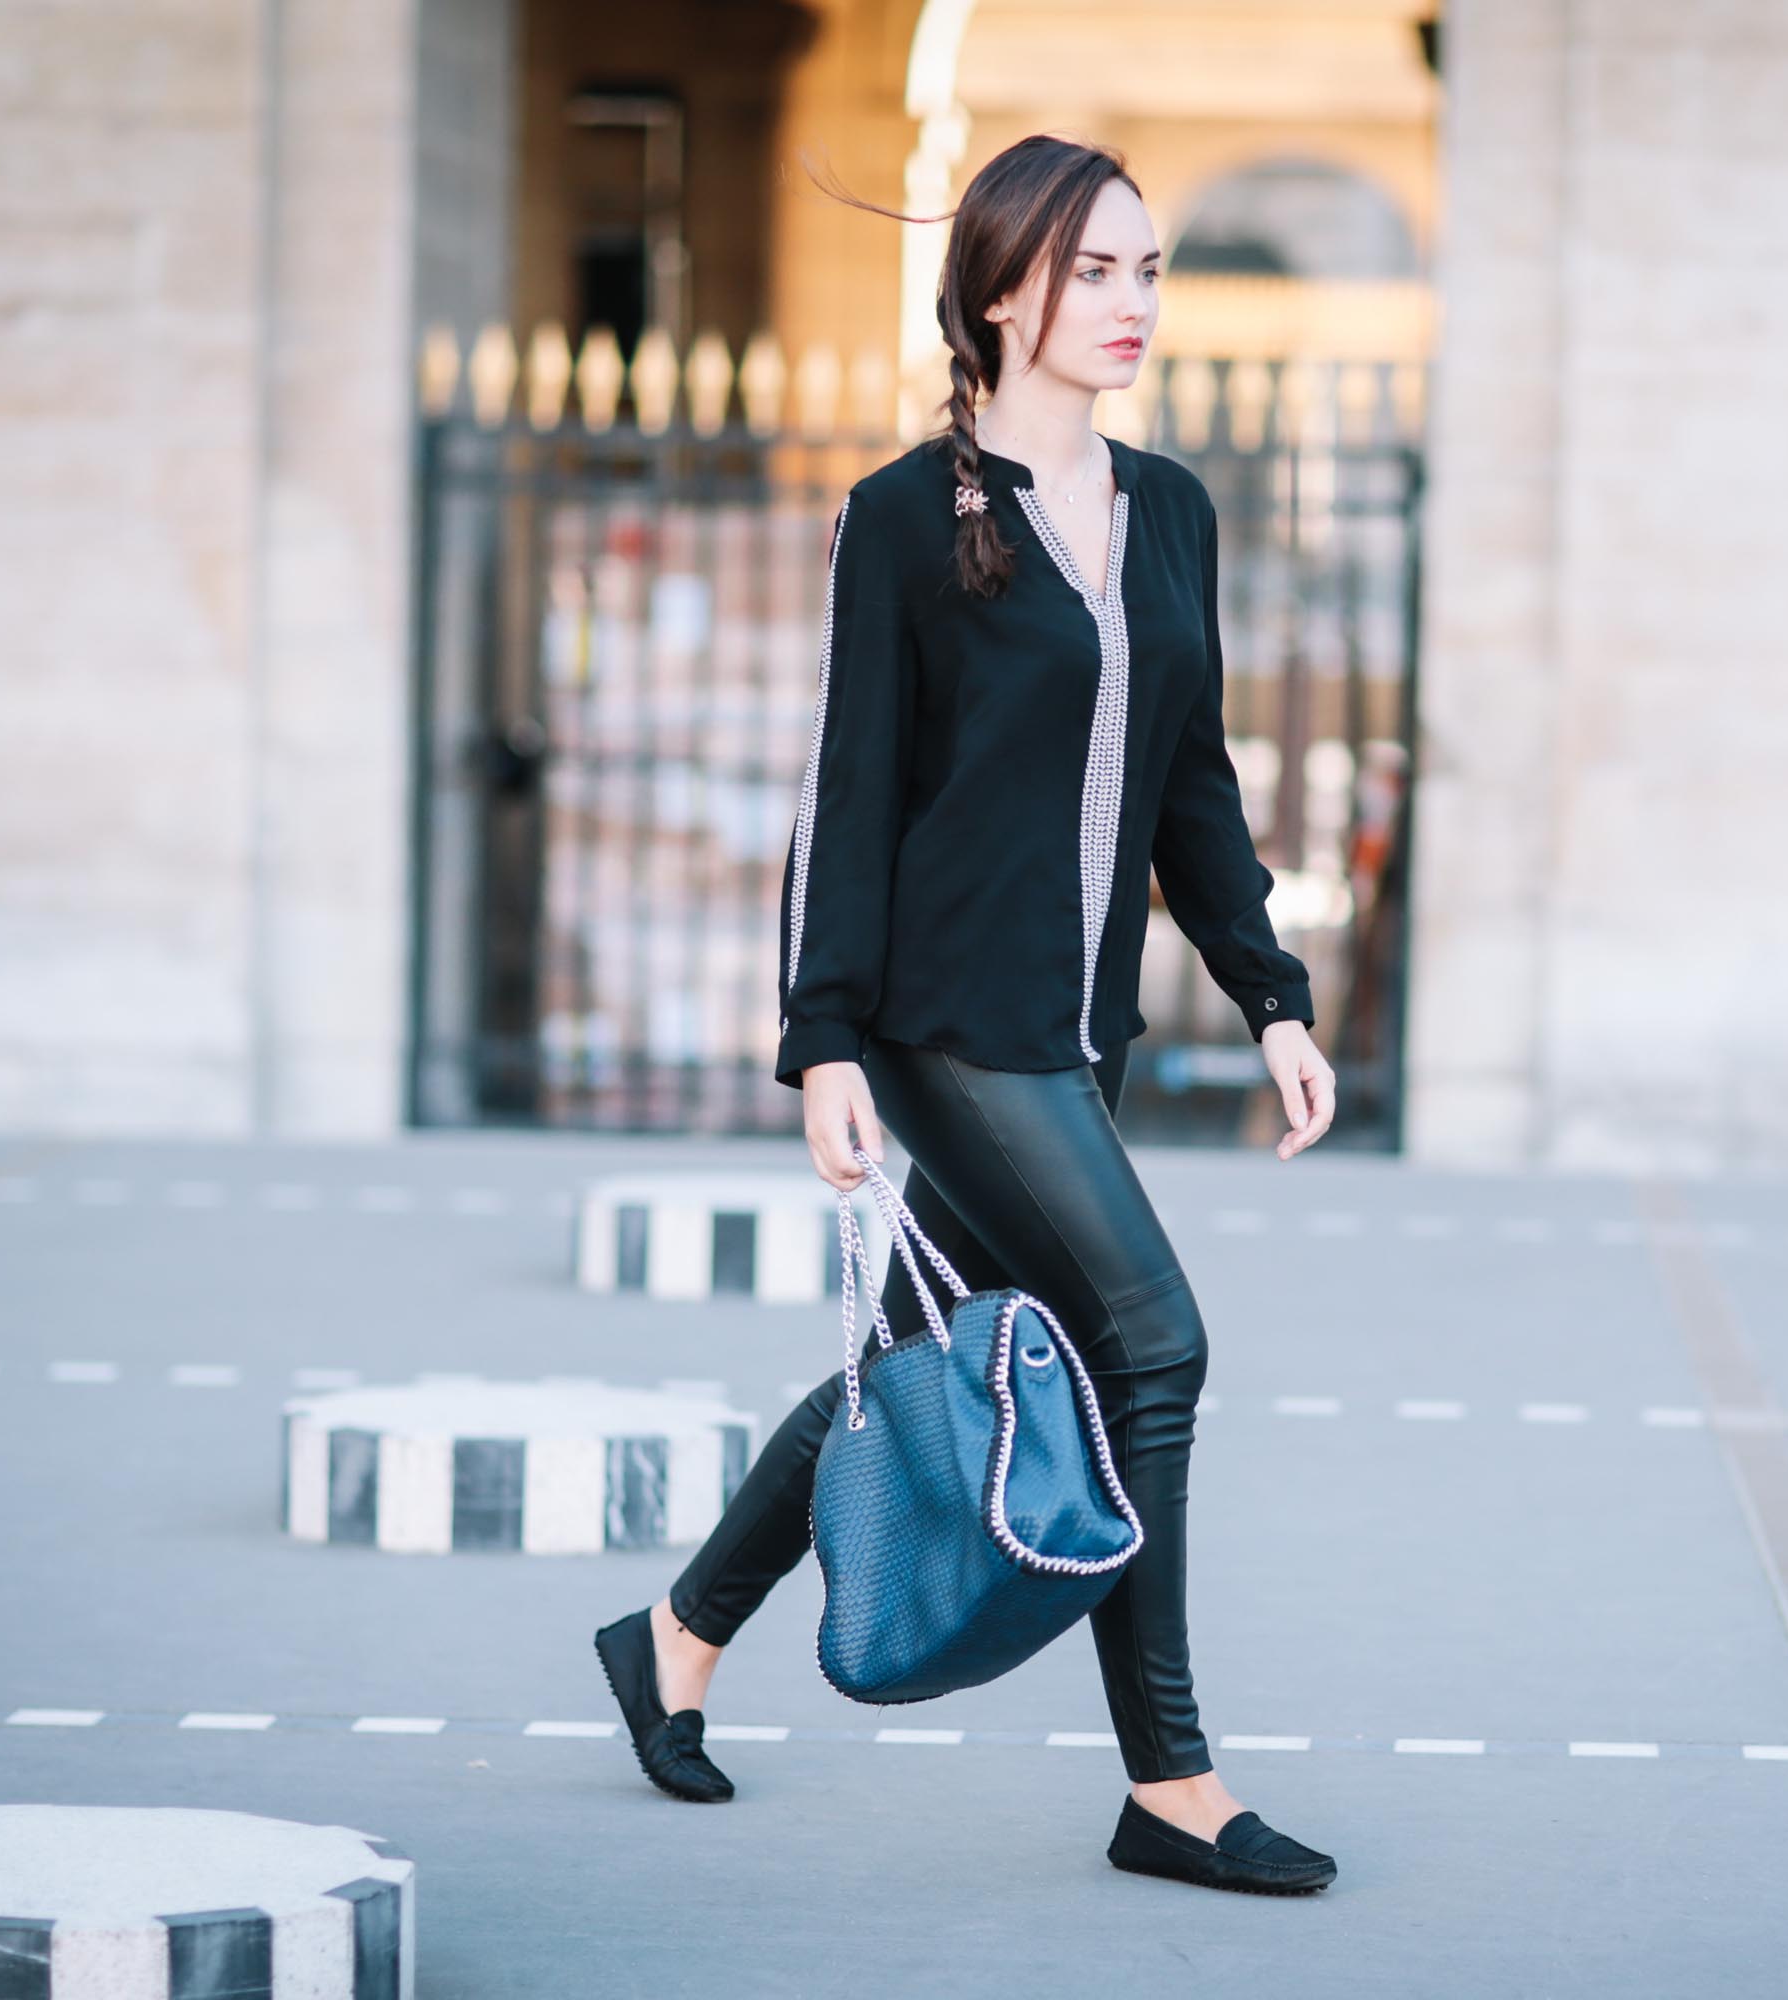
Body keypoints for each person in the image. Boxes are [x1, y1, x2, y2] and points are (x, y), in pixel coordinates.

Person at [591, 135, 1343, 1897]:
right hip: (944, 1020)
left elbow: (1194, 786)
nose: (1136, 303)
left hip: (1072, 1024)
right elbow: (844, 796)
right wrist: (827, 1038)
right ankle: (1172, 1787)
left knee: (938, 1351)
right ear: (1006, 289)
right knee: (1154, 1345)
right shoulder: (905, 519)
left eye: (1151, 271)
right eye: (1098, 271)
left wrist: (1271, 998)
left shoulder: (1174, 512)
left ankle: (678, 1635)